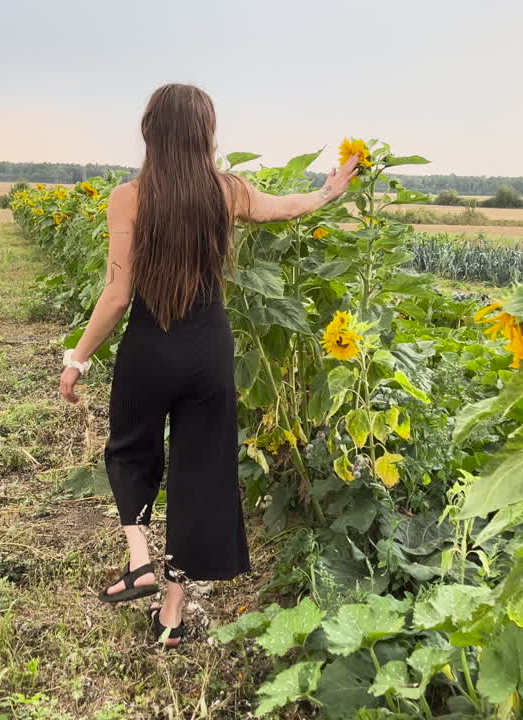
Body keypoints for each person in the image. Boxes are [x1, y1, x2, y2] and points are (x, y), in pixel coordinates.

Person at [58, 83, 358, 647]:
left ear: (151, 131)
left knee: (130, 449)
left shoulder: (129, 197)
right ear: (206, 133)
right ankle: (172, 616)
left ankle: (140, 564)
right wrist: (329, 190)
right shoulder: (228, 191)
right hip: (209, 354)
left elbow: (117, 295)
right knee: (199, 475)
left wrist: (78, 359)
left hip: (149, 348)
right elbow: (289, 207)